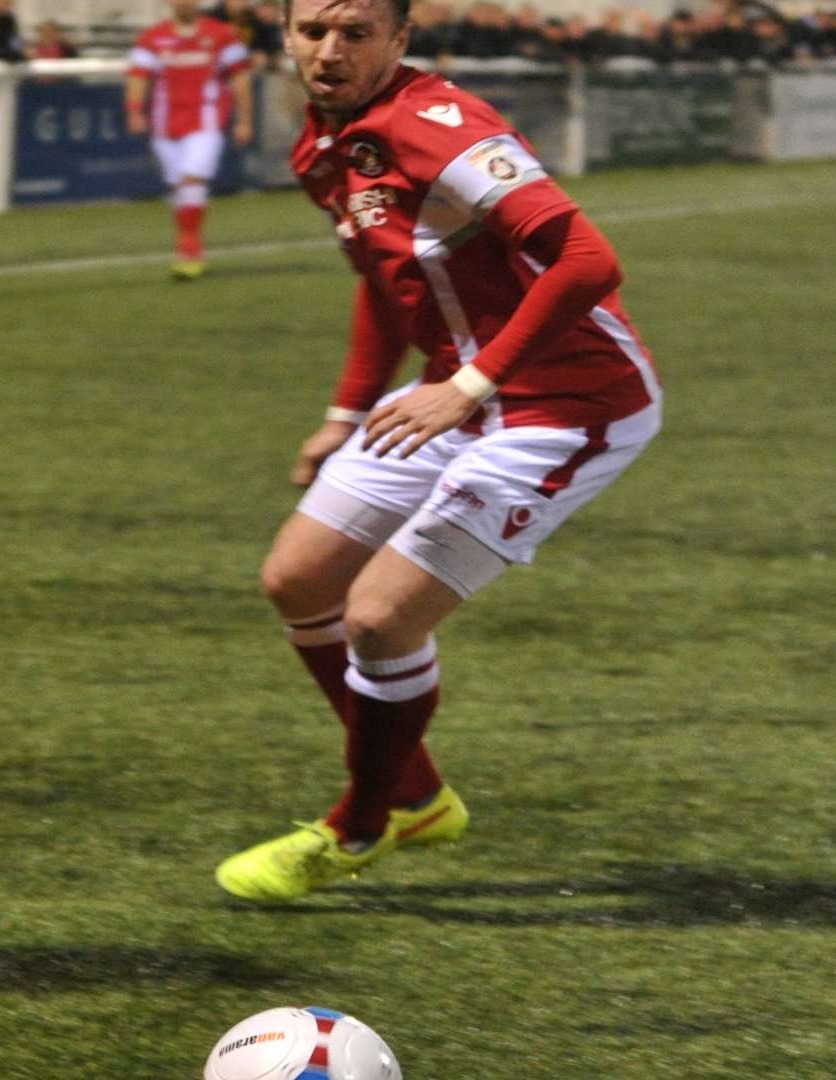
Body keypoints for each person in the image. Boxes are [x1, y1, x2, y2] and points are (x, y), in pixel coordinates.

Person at [213, 0, 662, 903]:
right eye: (312, 32)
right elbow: (384, 288)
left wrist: (467, 386)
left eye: (357, 33)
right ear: (286, 35)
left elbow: (586, 260)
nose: (330, 52)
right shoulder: (323, 144)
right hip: (455, 389)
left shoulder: (436, 126)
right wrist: (345, 412)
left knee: (380, 618)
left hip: (566, 402)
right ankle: (415, 792)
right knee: (298, 580)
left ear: (399, 40)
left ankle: (360, 824)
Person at [125, 0, 255, 281]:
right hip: (165, 125)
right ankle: (189, 243)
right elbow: (138, 76)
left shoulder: (222, 35)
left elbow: (240, 77)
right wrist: (135, 110)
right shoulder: (151, 38)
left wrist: (244, 119)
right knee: (179, 187)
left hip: (206, 122)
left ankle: (188, 247)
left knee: (191, 179)